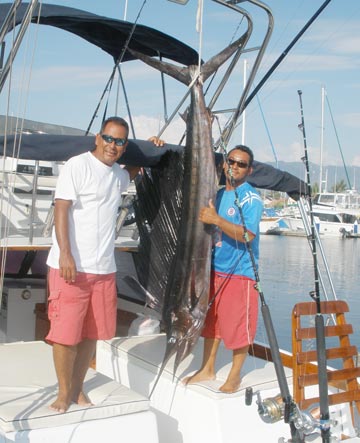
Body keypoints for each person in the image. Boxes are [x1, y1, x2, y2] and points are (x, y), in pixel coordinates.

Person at [46, 116, 164, 413]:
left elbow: (134, 172)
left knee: (89, 334)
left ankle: (77, 388)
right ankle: (62, 393)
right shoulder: (78, 165)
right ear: (98, 138)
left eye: (120, 141)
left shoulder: (118, 176)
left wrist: (152, 147)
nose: (113, 145)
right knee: (65, 335)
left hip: (103, 269)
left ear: (124, 147)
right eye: (109, 139)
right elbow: (62, 208)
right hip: (71, 267)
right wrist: (65, 254)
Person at [183, 145, 263, 393]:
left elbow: (248, 235)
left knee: (239, 327)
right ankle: (207, 368)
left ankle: (235, 375)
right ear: (224, 164)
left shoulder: (252, 198)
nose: (235, 167)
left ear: (249, 170)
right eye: (231, 161)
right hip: (213, 270)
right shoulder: (216, 195)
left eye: (241, 164)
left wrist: (216, 219)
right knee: (211, 323)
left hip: (240, 273)